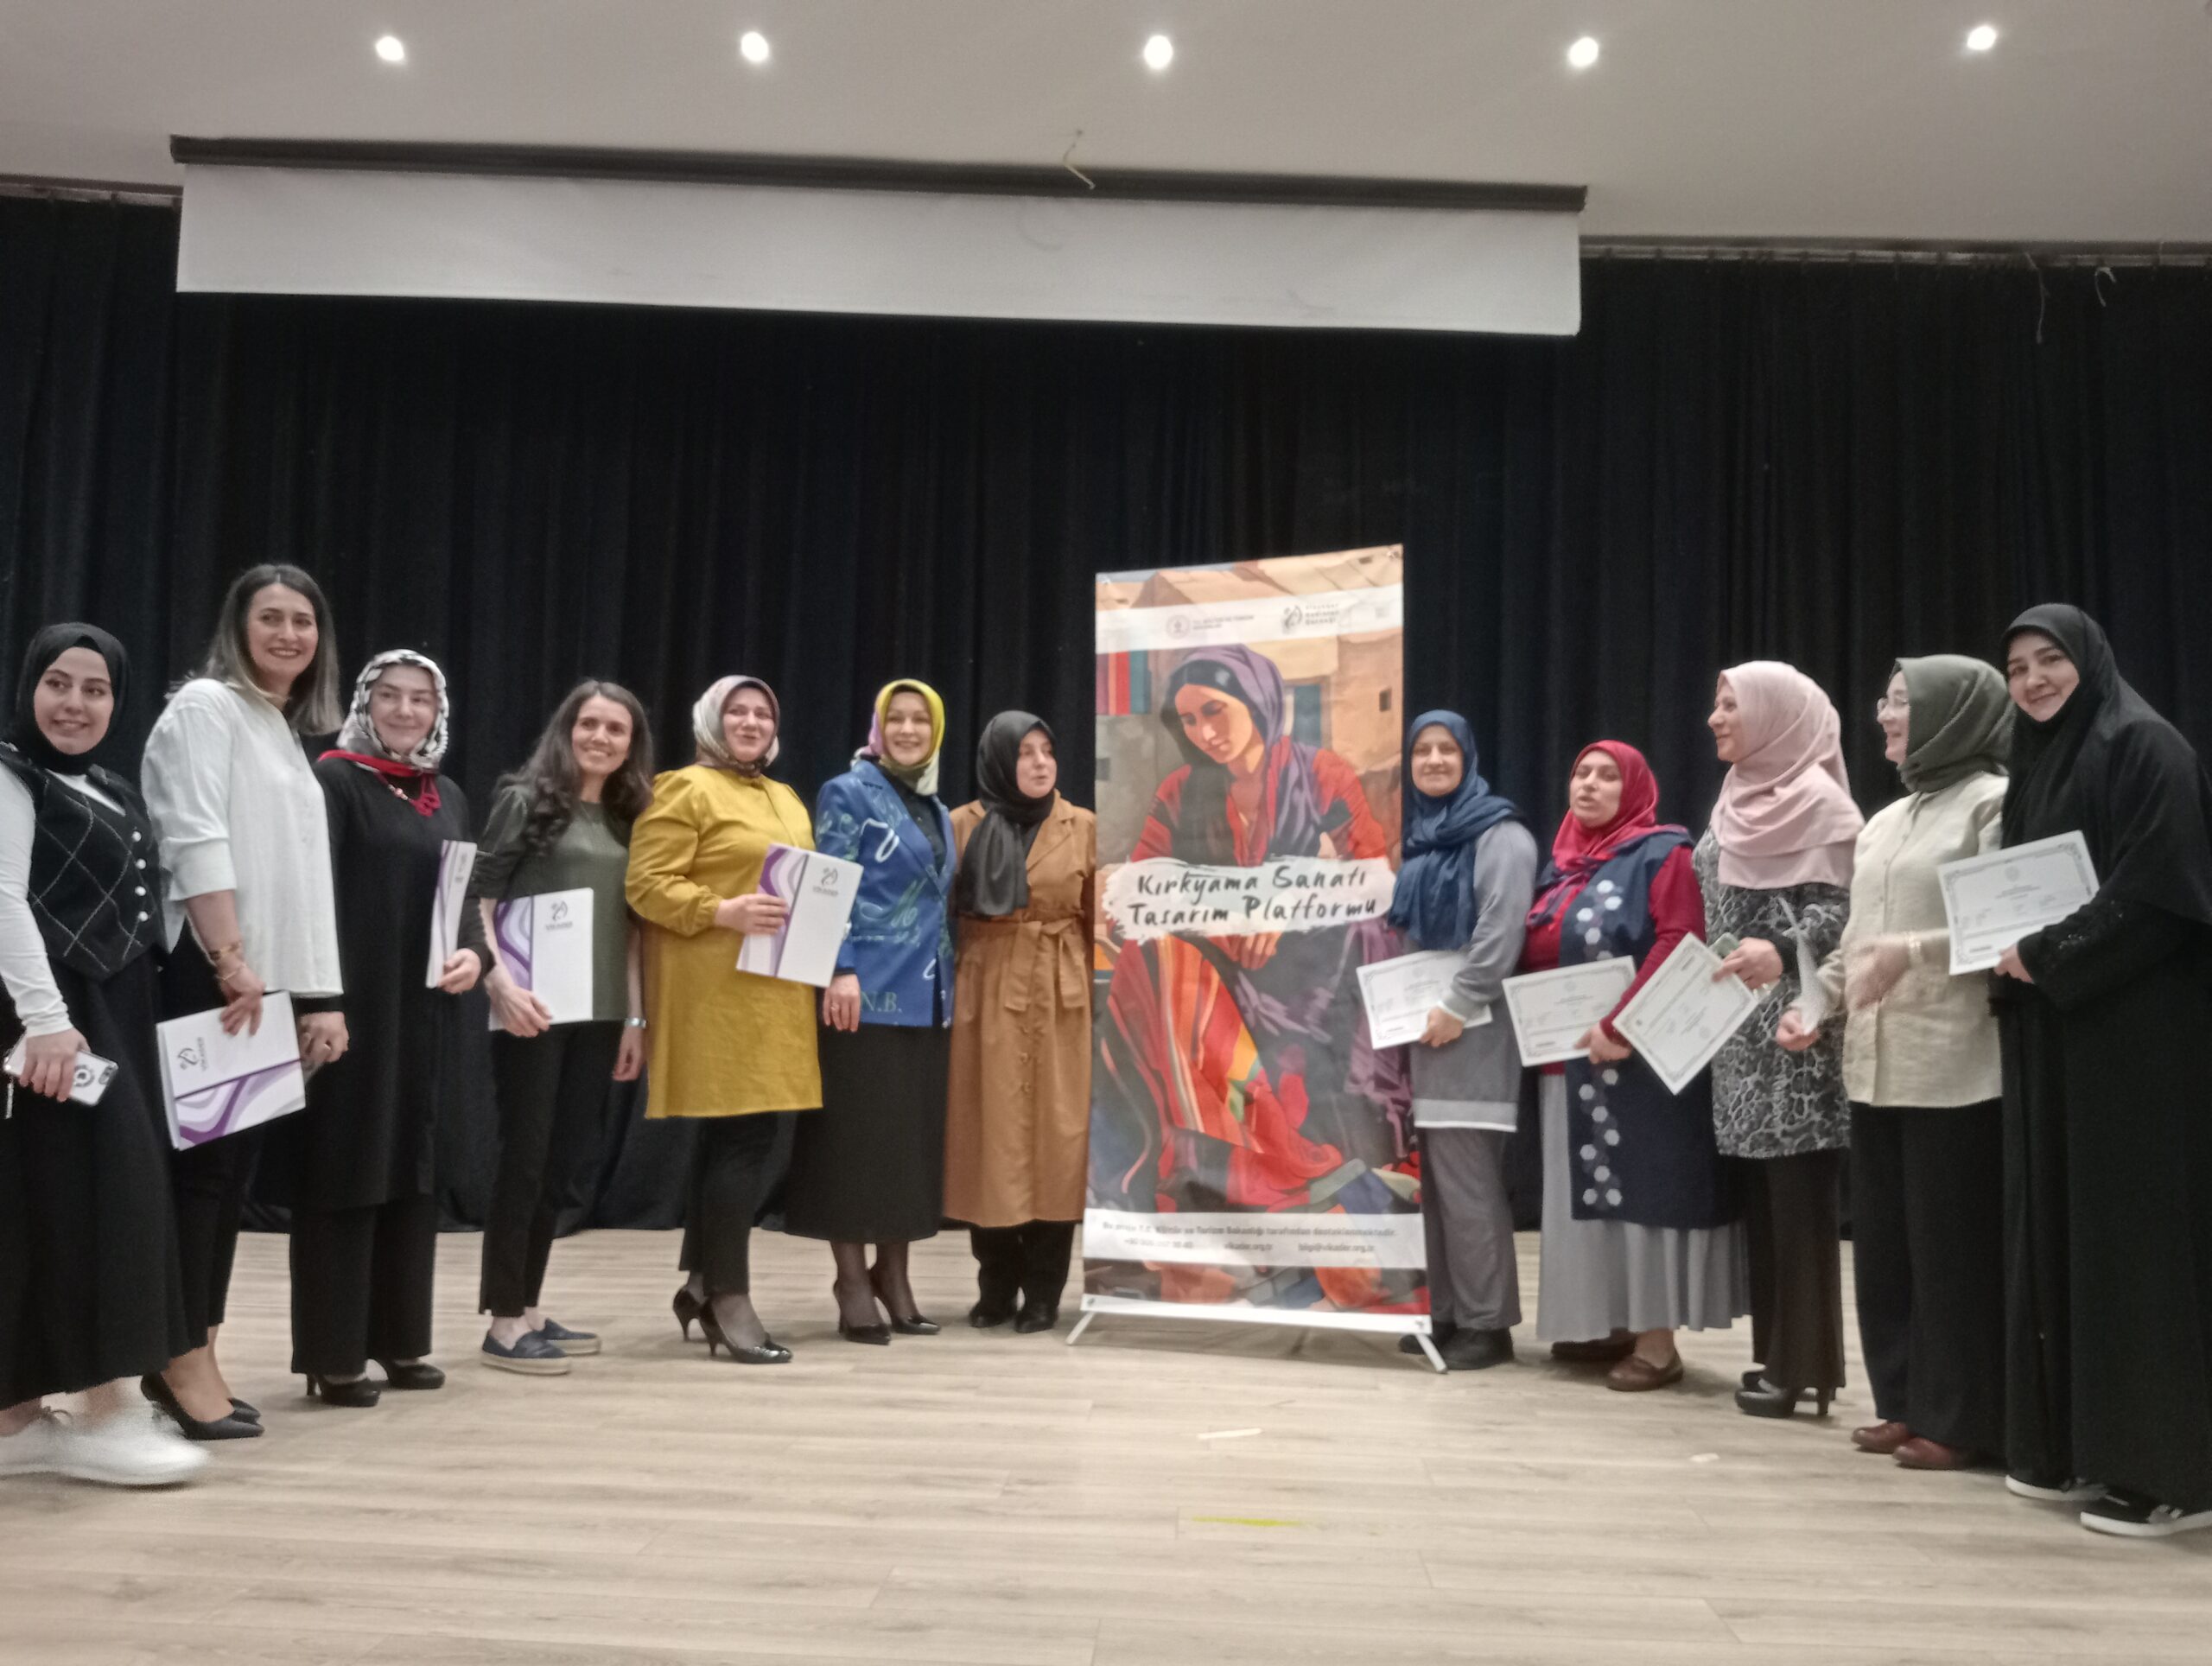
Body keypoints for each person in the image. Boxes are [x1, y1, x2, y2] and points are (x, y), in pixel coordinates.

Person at [1092, 646, 1417, 1314]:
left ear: (1257, 701)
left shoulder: (1321, 773)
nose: (1204, 732)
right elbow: (1140, 888)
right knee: (1153, 962)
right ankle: (1253, 1166)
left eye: (1216, 710)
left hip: (1316, 960)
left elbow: (1373, 879)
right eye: (1188, 720)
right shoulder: (1180, 790)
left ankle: (1281, 1169)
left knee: (1175, 970)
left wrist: (1286, 906)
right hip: (1215, 957)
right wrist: (1220, 920)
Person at [1992, 606, 2212, 1538]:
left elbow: (2160, 892)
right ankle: (2085, 1443)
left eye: (2050, 660)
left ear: (2089, 660)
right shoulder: (2039, 761)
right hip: (2061, 1032)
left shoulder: (2144, 746)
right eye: (2017, 667)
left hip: (2139, 1043)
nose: (2034, 680)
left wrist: (2045, 953)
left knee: (2135, 1244)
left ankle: (2172, 1473)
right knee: (2067, 1231)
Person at [1776, 658, 2010, 1468]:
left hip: (1955, 1064)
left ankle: (1962, 1420)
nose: (1884, 714)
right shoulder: (1884, 820)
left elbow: (2007, 924)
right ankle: (1903, 1403)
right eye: (1885, 699)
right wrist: (1816, 1004)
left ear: (1951, 712)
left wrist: (1912, 952)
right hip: (1874, 1066)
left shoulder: (1994, 803)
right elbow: (1854, 944)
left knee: (1951, 1254)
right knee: (1887, 1249)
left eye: (1903, 701)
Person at [141, 564, 348, 1440]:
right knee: (204, 1174)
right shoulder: (206, 707)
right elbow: (194, 836)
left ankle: (202, 1347)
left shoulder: (277, 726)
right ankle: (178, 1357)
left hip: (262, 979)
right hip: (213, 970)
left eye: (304, 620)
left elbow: (303, 878)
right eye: (271, 617)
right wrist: (229, 958)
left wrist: (319, 995)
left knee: (228, 1177)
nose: (289, 634)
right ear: (238, 625)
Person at [0, 626, 204, 1486]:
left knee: (60, 1200)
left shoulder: (110, 787)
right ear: (28, 687)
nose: (75, 703)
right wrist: (45, 1021)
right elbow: (2, 899)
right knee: (103, 1197)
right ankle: (110, 1410)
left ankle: (15, 1421)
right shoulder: (11, 777)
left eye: (96, 688)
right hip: (57, 1022)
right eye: (58, 682)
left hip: (112, 1015)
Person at [261, 651, 487, 1406]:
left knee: (412, 1173)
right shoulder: (333, 782)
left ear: (438, 711)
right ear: (364, 702)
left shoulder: (445, 793)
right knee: (347, 1170)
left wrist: (474, 954)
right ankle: (334, 1356)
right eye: (389, 695)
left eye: (421, 699)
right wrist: (319, 999)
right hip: (351, 1008)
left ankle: (399, 1340)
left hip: (425, 1014)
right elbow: (307, 892)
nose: (405, 710)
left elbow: (462, 893)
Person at [1522, 741, 1747, 1390]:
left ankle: (1656, 1345)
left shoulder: (1662, 853)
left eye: (1607, 776)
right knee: (1591, 1201)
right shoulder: (1561, 869)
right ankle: (1610, 1324)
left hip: (1639, 1062)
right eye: (1580, 773)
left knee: (1644, 1195)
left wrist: (1622, 1022)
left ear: (1636, 789)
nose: (1588, 785)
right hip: (1569, 1066)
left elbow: (1681, 939)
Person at [626, 675, 820, 1364]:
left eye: (763, 712)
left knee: (736, 1142)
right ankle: (728, 1298)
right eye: (736, 711)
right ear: (711, 720)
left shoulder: (784, 796)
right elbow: (645, 885)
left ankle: (700, 1283)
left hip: (776, 995)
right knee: (742, 1141)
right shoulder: (684, 788)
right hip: (715, 994)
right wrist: (723, 910)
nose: (751, 721)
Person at [472, 681, 653, 1375]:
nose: (601, 737)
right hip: (533, 1008)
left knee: (562, 1163)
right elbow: (479, 898)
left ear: (631, 745)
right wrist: (499, 983)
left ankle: (529, 1305)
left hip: (600, 1012)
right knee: (524, 1159)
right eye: (590, 724)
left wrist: (634, 1017)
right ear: (567, 729)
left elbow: (631, 932)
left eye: (616, 729)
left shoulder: (629, 817)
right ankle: (502, 1321)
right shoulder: (525, 800)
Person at [1697, 662, 1860, 1419]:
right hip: (1736, 1031)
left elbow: (1845, 913)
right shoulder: (1735, 796)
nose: (1715, 718)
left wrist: (1782, 950)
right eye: (1717, 704)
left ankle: (1807, 1368)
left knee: (1799, 1208)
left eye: (1731, 705)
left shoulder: (1822, 804)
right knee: (1764, 1209)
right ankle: (1777, 1357)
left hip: (1796, 1029)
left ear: (1776, 716)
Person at [785, 680, 957, 1342]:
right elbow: (828, 886)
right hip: (861, 993)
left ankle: (896, 1275)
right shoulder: (847, 791)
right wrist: (840, 967)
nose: (909, 729)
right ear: (878, 728)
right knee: (855, 1146)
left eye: (921, 719)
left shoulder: (935, 806)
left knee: (905, 1150)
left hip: (927, 996)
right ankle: (853, 1282)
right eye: (897, 718)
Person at [1384, 712, 1535, 1371]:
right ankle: (1445, 1312)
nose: (1435, 760)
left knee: (1469, 1186)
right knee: (1436, 1188)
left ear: (1468, 757)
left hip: (1471, 1032)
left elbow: (1501, 933)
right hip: (1426, 1033)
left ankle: (1488, 1324)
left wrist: (1458, 1003)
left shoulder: (1501, 834)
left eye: (1447, 749)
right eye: (1422, 750)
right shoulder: (1423, 841)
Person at [944, 713, 1096, 1333]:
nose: (1039, 763)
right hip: (986, 986)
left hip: (1062, 991)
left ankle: (1044, 1291)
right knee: (991, 1138)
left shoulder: (1083, 825)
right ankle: (995, 1283)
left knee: (1058, 1140)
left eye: (1047, 751)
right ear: (999, 761)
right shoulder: (961, 824)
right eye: (1024, 752)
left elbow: (1100, 923)